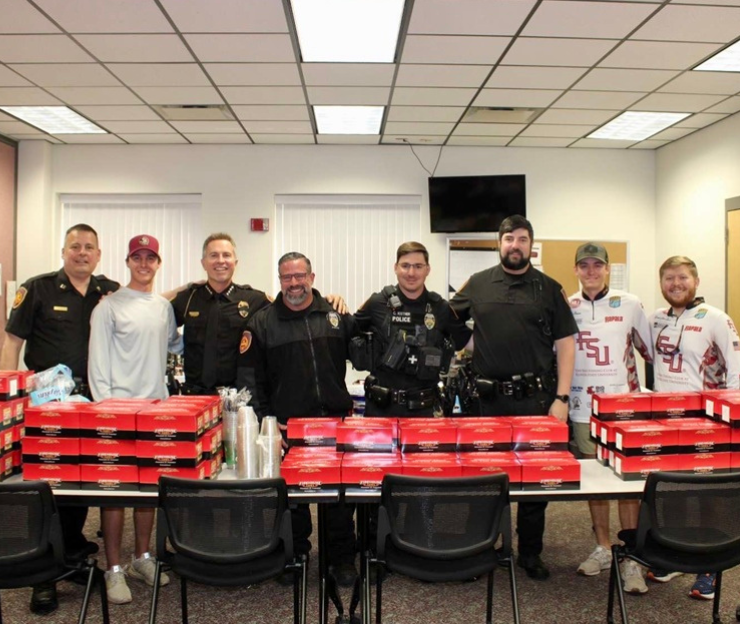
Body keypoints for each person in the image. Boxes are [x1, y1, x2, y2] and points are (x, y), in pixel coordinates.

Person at [449, 215, 578, 580]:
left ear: (531, 246)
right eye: (509, 239)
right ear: (499, 243)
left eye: (522, 239)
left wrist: (562, 398)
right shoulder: (478, 283)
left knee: (536, 477)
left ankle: (530, 551)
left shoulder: (549, 289)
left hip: (535, 400)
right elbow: (448, 319)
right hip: (487, 401)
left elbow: (566, 345)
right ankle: (482, 546)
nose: (515, 245)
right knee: (486, 477)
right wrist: (472, 346)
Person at [0, 223, 117, 616]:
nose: (82, 253)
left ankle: (68, 555)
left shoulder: (107, 290)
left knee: (80, 480)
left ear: (98, 254)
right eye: (75, 246)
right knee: (46, 485)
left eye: (89, 247)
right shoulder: (38, 288)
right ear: (64, 251)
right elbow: (12, 342)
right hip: (47, 402)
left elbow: (144, 302)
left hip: (90, 400)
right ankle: (43, 576)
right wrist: (9, 398)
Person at [237, 252, 360, 588]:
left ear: (311, 277)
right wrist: (266, 424)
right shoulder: (262, 324)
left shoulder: (334, 315)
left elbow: (364, 352)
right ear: (279, 280)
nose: (294, 283)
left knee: (339, 498)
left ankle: (341, 558)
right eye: (287, 277)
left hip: (334, 423)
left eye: (299, 276)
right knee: (293, 498)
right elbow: (249, 381)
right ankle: (296, 555)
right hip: (288, 427)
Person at [88, 234, 182, 605]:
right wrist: (107, 411)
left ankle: (142, 558)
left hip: (155, 410)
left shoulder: (163, 307)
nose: (144, 264)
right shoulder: (108, 307)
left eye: (150, 258)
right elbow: (97, 366)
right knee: (114, 493)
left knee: (148, 490)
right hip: (117, 412)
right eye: (137, 257)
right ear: (127, 262)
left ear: (158, 263)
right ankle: (113, 568)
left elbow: (174, 345)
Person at [649, 255, 740, 600]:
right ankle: (676, 556)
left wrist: (731, 422)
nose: (675, 284)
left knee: (705, 494)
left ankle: (709, 568)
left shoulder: (716, 318)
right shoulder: (656, 319)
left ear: (696, 281)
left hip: (704, 424)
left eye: (682, 278)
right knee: (669, 490)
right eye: (669, 278)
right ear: (661, 283)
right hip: (664, 422)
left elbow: (737, 372)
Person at [567, 243, 652, 594]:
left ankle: (631, 555)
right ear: (576, 269)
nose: (591, 271)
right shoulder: (567, 306)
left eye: (597, 265)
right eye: (584, 265)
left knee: (627, 481)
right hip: (582, 406)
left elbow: (649, 350)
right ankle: (603, 546)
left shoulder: (629, 303)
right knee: (595, 480)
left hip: (623, 407)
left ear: (607, 269)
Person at [168, 232, 351, 395]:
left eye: (227, 255)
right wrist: (183, 287)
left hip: (237, 398)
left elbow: (293, 305)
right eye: (213, 255)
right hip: (195, 396)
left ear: (235, 263)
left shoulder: (253, 299)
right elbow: (157, 312)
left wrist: (326, 302)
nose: (221, 261)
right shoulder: (188, 299)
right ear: (203, 262)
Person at [353, 241, 471, 416]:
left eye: (418, 266)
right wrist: (334, 302)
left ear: (427, 269)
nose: (411, 273)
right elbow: (346, 331)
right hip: (380, 410)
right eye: (405, 266)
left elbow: (468, 341)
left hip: (423, 411)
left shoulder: (440, 308)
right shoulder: (377, 303)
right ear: (395, 268)